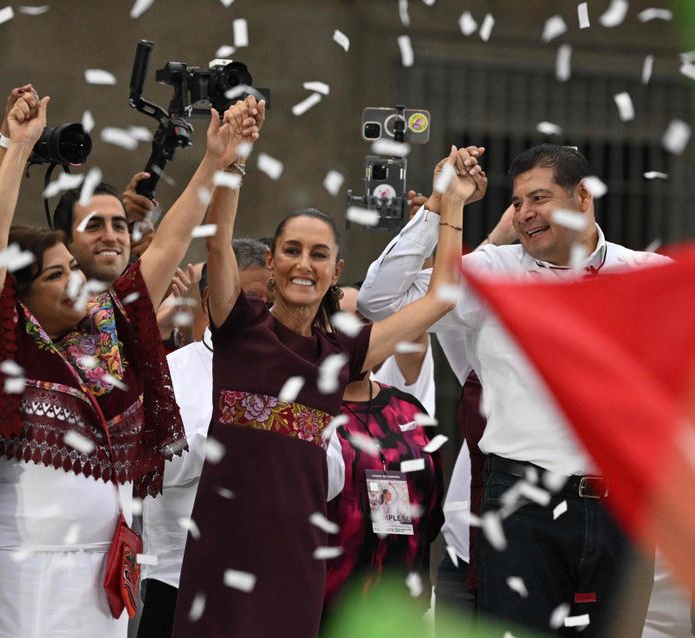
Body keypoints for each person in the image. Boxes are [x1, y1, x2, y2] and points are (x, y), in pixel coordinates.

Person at [0, 85, 260, 637]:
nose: (75, 280)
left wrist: (215, 158)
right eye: (54, 274)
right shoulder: (0, 342)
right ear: (19, 297)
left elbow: (168, 243)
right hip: (21, 557)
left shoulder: (110, 326)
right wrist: (17, 145)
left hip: (104, 566)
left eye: (72, 267)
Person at [358, 143, 690, 636]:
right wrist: (439, 206)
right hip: (519, 504)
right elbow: (378, 300)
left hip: (621, 508)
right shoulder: (494, 273)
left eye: (539, 198)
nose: (525, 214)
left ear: (582, 196)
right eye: (517, 203)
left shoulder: (648, 276)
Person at [170, 144, 481, 637]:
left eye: (319, 255)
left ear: (336, 271)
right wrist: (231, 161)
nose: (304, 265)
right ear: (270, 263)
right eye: (292, 251)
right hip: (222, 553)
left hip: (298, 560)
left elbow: (442, 295)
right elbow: (217, 244)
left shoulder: (343, 352)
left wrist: (454, 203)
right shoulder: (240, 328)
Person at [138, 237, 344, 638]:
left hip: (272, 580)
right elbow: (153, 466)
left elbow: (332, 479)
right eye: (247, 299)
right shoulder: (171, 371)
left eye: (268, 300)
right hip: (180, 580)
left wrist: (290, 444)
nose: (260, 313)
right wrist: (233, 432)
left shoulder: (305, 371)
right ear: (215, 298)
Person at [322, 285, 444, 616]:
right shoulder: (305, 411)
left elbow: (429, 512)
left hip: (401, 608)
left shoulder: (408, 412)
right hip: (327, 609)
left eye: (365, 320)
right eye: (339, 321)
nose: (354, 332)